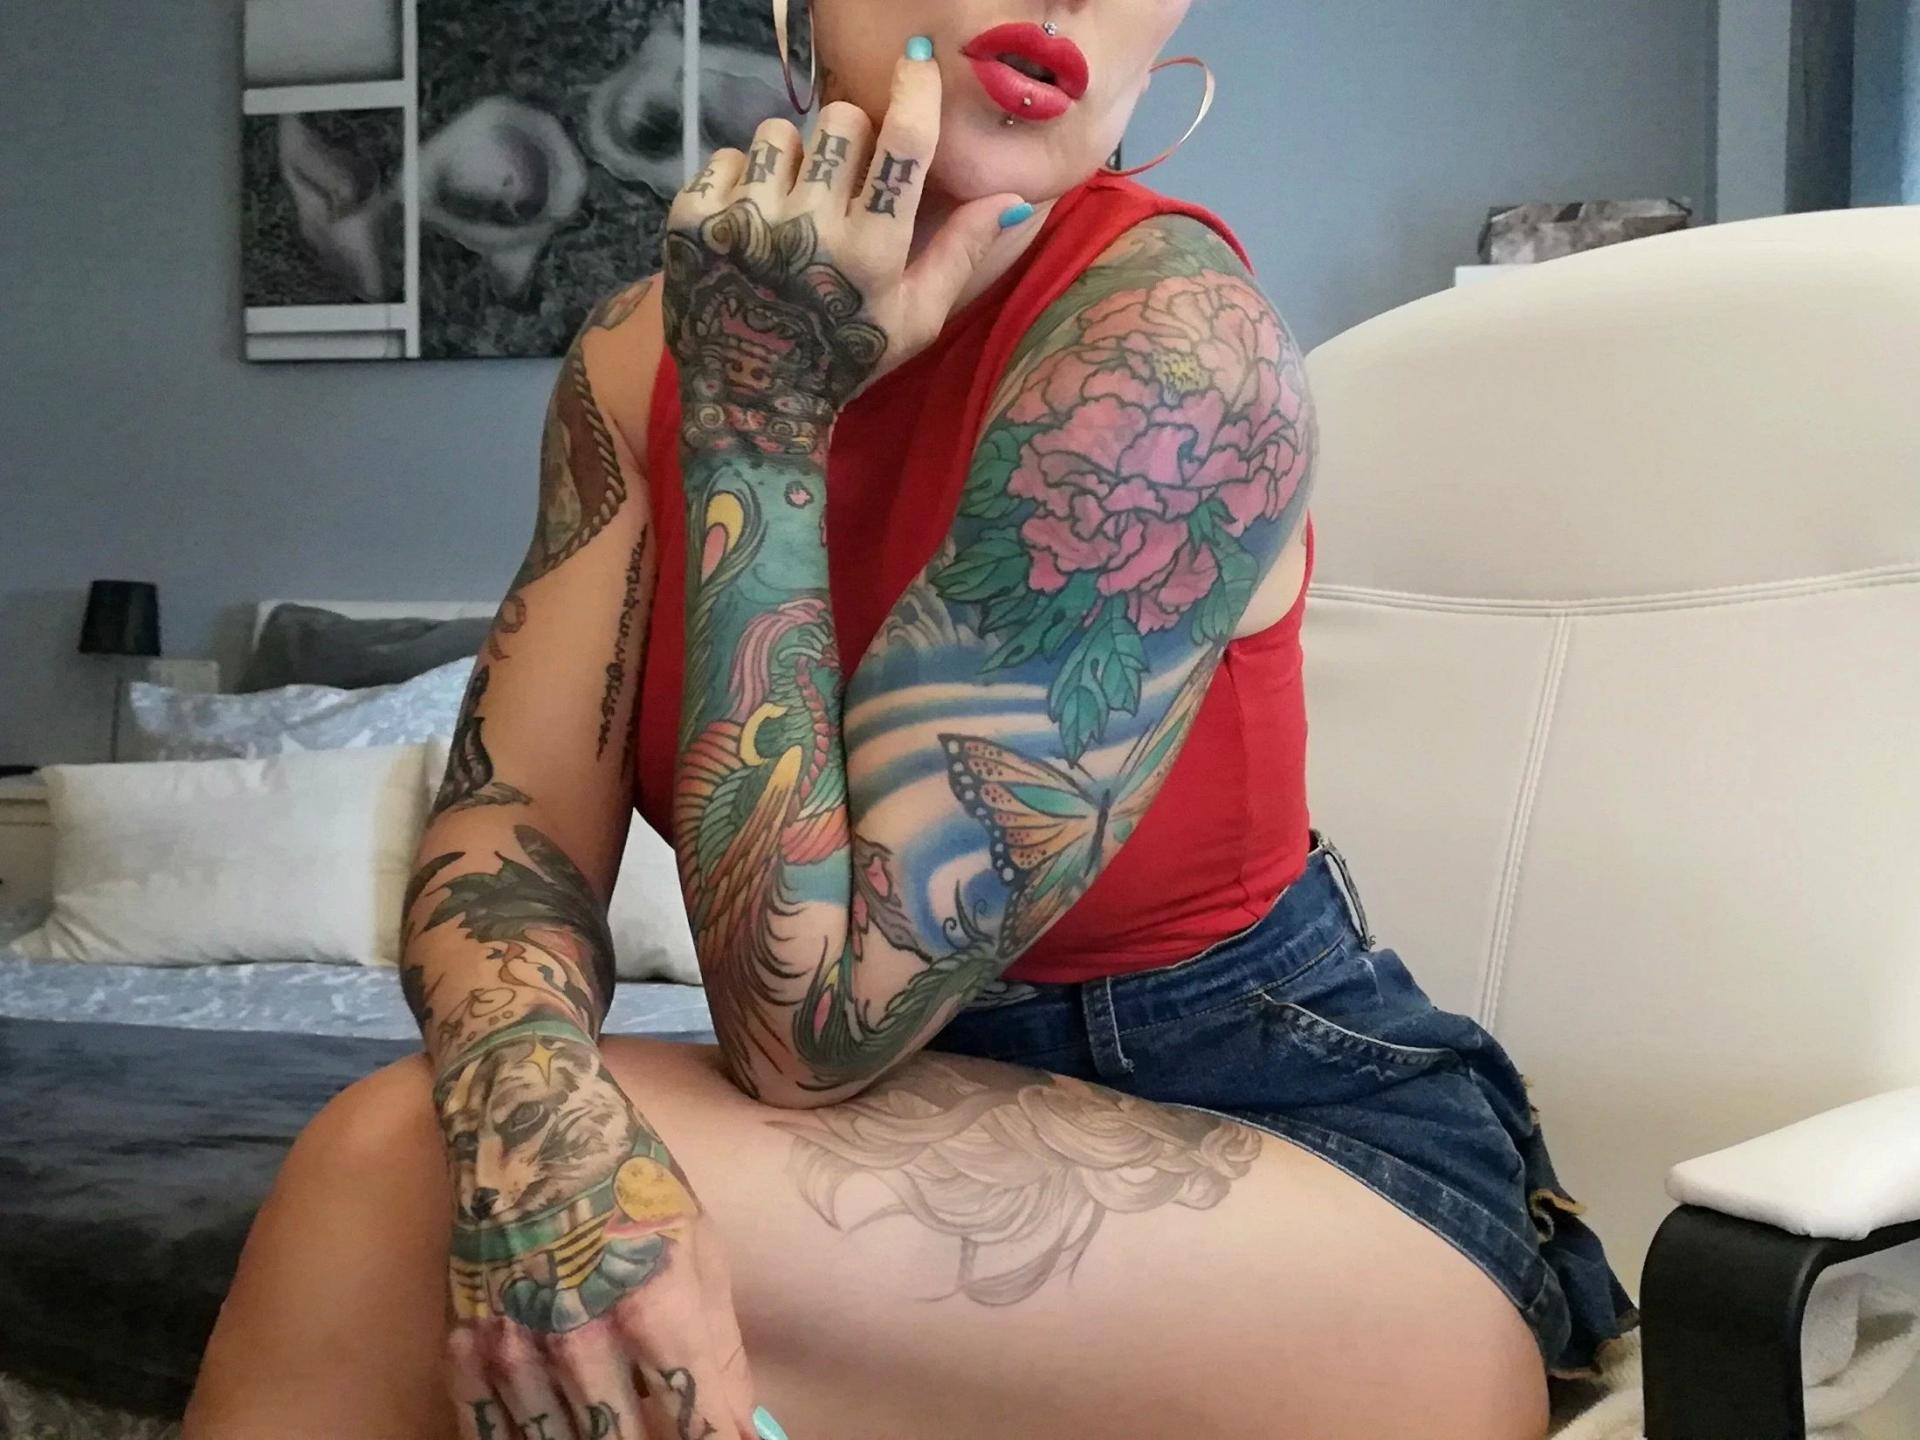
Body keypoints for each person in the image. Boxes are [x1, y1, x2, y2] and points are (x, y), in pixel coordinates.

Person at [185, 3, 1641, 1437]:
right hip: (897, 1145)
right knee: (484, 1173)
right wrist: (536, 1125)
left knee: (385, 1180)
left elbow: (807, 1029)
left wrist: (760, 422)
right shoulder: (637, 353)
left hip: (1307, 1180)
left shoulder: (1173, 352)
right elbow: (512, 836)